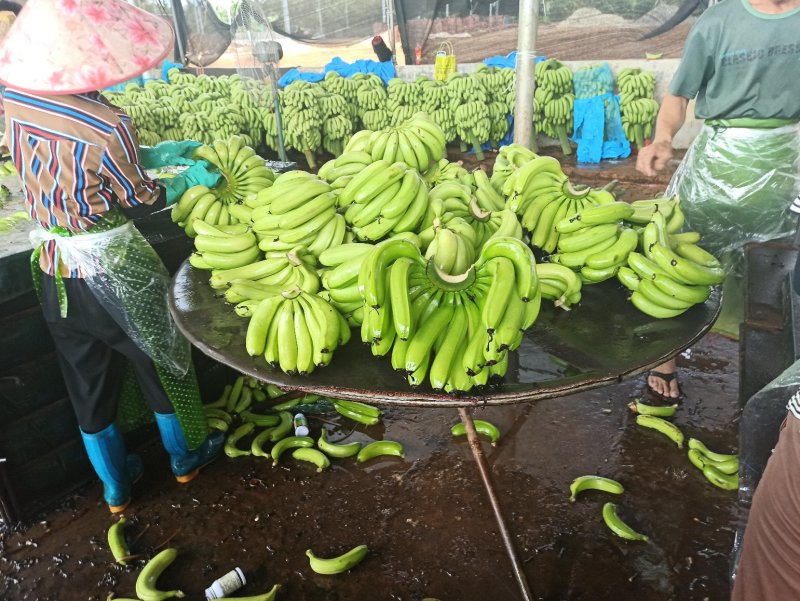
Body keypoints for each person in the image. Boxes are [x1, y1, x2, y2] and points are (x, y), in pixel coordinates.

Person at [0, 0, 226, 514]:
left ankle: (116, 489)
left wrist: (155, 153)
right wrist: (185, 178)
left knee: (86, 379)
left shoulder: (13, 101)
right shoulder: (108, 122)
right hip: (114, 266)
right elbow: (141, 198)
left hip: (55, 269)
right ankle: (186, 457)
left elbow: (69, 157)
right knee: (160, 359)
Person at [636, 0, 800, 401]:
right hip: (717, 168)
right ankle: (665, 361)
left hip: (787, 163)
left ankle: (775, 383)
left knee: (778, 274)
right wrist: (662, 140)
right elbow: (678, 97)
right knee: (682, 258)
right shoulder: (718, 20)